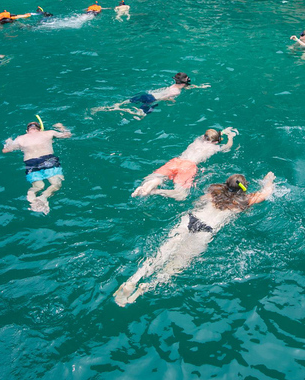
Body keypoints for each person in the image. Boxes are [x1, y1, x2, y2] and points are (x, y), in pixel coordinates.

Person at [114, 172, 276, 306]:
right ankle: (146, 287)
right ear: (244, 187)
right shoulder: (245, 201)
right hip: (206, 230)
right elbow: (267, 192)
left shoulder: (215, 190)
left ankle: (133, 280)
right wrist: (268, 180)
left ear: (226, 183)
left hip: (190, 219)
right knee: (175, 266)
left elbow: (198, 202)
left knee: (161, 253)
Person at [132, 128, 238, 200]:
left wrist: (221, 132)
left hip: (176, 161)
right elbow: (228, 146)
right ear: (216, 141)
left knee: (159, 178)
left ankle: (150, 184)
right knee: (181, 195)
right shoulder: (214, 147)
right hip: (188, 166)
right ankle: (154, 192)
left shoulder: (198, 140)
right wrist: (231, 137)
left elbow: (210, 137)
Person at [2, 118, 72, 214]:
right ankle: (43, 197)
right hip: (48, 160)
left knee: (38, 186)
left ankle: (32, 199)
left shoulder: (20, 139)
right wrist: (61, 126)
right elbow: (67, 135)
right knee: (56, 184)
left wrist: (8, 142)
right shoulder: (48, 133)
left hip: (30, 163)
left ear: (27, 130)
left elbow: (5, 150)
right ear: (40, 129)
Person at [91, 72, 210, 118]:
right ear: (184, 83)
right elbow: (164, 97)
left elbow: (188, 87)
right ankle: (115, 110)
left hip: (147, 95)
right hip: (151, 100)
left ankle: (107, 107)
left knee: (125, 102)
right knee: (140, 115)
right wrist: (170, 101)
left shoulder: (173, 86)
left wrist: (200, 86)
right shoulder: (176, 92)